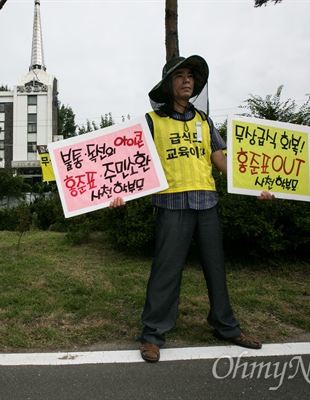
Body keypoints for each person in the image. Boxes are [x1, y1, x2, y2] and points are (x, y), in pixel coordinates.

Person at [110, 55, 274, 363]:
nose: (187, 80)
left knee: (216, 269)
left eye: (191, 76)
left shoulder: (204, 121)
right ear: (168, 84)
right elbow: (132, 163)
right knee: (166, 272)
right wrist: (118, 192)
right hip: (171, 204)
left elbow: (220, 158)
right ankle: (153, 335)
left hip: (207, 203)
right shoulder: (152, 120)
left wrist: (254, 186)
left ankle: (225, 327)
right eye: (179, 76)